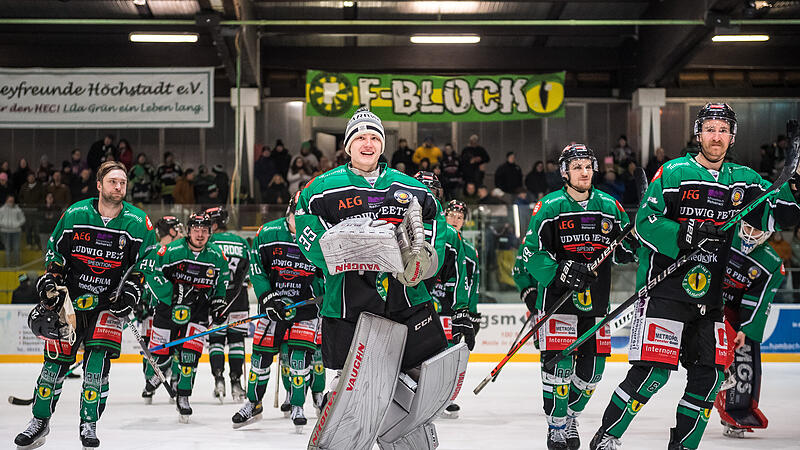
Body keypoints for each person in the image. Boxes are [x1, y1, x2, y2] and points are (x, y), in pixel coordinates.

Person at [590, 103, 800, 450]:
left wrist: (794, 184)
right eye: (710, 129)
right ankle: (606, 437)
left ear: (732, 137)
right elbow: (645, 222)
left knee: (709, 378)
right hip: (666, 291)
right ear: (698, 133)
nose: (716, 136)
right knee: (652, 374)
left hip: (710, 298)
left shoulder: (744, 180)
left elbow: (780, 213)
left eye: (723, 130)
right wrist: (686, 233)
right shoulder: (674, 172)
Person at [295, 107, 464, 449]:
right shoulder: (322, 189)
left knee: (416, 377)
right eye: (360, 137)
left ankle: (403, 434)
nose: (367, 143)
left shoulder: (410, 187)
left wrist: (423, 259)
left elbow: (436, 227)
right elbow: (306, 231)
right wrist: (343, 253)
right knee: (353, 384)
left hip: (405, 299)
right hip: (348, 301)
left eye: (374, 137)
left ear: (382, 144)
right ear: (348, 146)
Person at [14, 161, 157, 449]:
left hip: (108, 304)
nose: (119, 187)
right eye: (113, 181)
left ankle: (88, 422)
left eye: (123, 182)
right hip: (70, 302)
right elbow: (56, 254)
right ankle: (39, 422)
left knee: (95, 367)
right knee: (53, 366)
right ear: (99, 185)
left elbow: (145, 266)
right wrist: (50, 281)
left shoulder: (139, 222)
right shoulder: (76, 213)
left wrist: (130, 293)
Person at [521, 143, 636, 450]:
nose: (584, 172)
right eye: (577, 167)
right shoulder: (549, 206)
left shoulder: (610, 206)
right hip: (559, 302)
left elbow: (626, 247)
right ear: (565, 173)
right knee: (559, 368)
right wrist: (558, 269)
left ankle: (570, 415)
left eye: (587, 166)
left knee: (593, 373)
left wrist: (628, 248)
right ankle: (557, 425)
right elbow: (530, 252)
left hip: (597, 303)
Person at [232, 191, 325, 431]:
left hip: (304, 310)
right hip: (273, 308)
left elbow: (326, 273)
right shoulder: (268, 232)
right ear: (289, 211)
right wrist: (268, 297)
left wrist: (321, 295)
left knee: (298, 359)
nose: (302, 222)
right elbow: (257, 269)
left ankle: (297, 405)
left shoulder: (319, 236)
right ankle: (253, 403)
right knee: (260, 360)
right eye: (298, 216)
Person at [140, 212, 229, 423]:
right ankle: (158, 372)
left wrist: (218, 303)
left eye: (205, 230)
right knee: (160, 357)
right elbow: (151, 273)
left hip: (197, 312)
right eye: (196, 230)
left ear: (210, 232)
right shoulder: (170, 250)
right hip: (167, 309)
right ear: (188, 231)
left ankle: (184, 396)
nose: (200, 234)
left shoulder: (217, 256)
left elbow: (221, 285)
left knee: (189, 358)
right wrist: (176, 293)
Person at [714, 221, 782, 439]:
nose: (751, 235)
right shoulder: (725, 232)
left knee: (733, 358)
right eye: (748, 228)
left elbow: (762, 300)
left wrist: (747, 328)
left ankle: (730, 410)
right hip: (707, 297)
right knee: (713, 356)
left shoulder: (771, 262)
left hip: (734, 311)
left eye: (757, 231)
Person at [204, 206, 251, 404]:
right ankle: (236, 382)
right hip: (239, 298)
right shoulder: (240, 242)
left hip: (216, 299)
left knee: (216, 340)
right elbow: (248, 278)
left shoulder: (209, 242)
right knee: (237, 341)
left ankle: (218, 380)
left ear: (214, 224)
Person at [138, 216, 185, 405]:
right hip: (153, 309)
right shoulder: (154, 251)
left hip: (168, 307)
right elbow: (141, 278)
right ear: (171, 231)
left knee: (173, 344)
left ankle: (171, 380)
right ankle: (152, 381)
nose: (181, 232)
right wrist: (138, 303)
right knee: (153, 348)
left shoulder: (176, 251)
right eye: (177, 229)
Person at [0, 194, 25, 267]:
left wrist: (17, 224)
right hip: (5, 231)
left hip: (16, 231)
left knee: (16, 249)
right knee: (7, 249)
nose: (11, 202)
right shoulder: (2, 210)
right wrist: (5, 224)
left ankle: (17, 265)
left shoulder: (18, 209)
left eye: (12, 200)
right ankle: (8, 265)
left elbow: (23, 219)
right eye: (9, 200)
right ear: (6, 200)